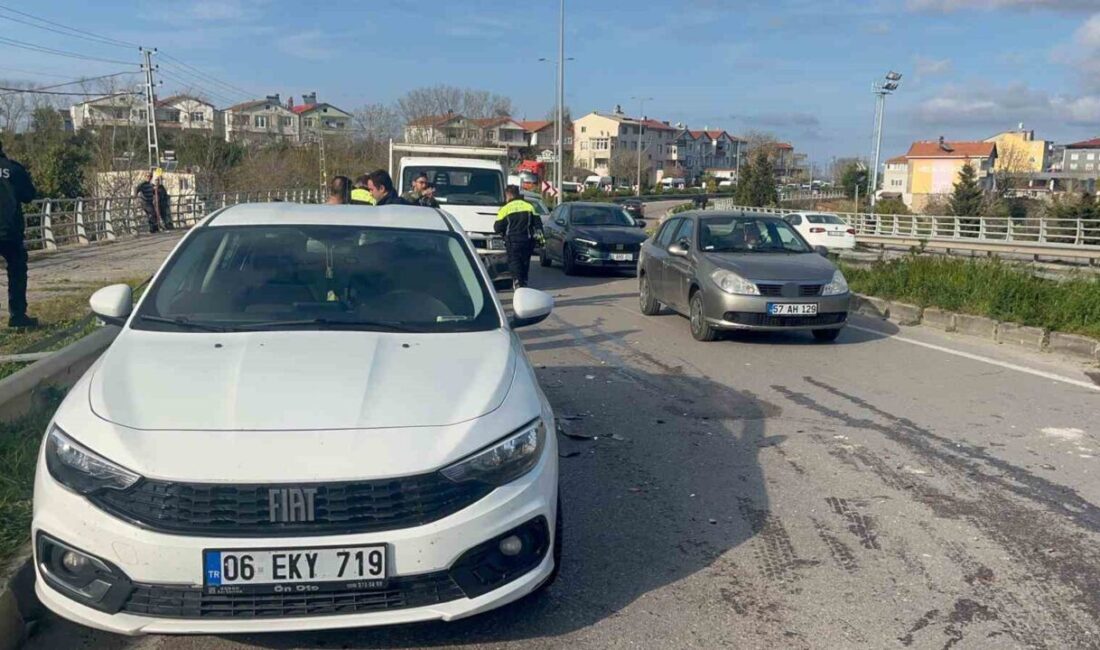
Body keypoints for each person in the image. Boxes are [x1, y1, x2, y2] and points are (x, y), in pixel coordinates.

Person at [0, 140, 39, 327]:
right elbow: (29, 195)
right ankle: (17, 316)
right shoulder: (13, 169)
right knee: (16, 271)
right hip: (10, 231)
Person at [495, 185, 541, 289]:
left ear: (508, 195)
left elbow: (497, 227)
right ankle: (524, 281)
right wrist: (540, 240)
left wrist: (503, 233)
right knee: (525, 261)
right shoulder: (529, 206)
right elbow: (538, 224)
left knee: (514, 261)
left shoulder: (505, 209)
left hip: (512, 240)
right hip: (527, 240)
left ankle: (517, 281)